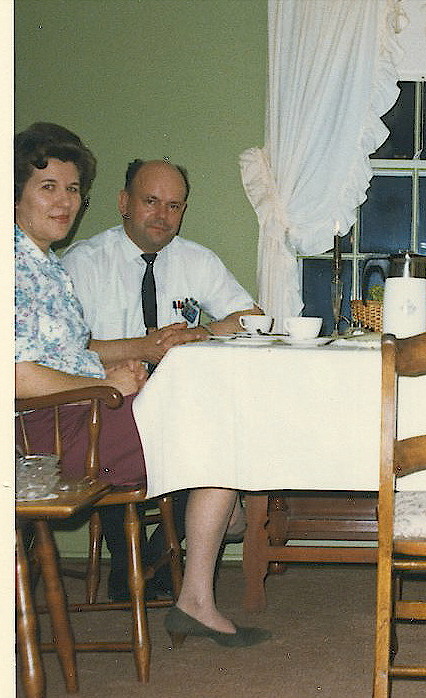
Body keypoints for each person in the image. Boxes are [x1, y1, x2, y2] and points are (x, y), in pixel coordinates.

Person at [14, 123, 270, 647]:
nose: (64, 201)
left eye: (70, 189)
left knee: (210, 421)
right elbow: (16, 372)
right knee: (216, 436)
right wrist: (103, 382)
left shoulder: (41, 265)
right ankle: (203, 574)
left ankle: (202, 552)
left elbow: (69, 350)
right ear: (123, 203)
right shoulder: (40, 263)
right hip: (47, 431)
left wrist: (144, 349)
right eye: (47, 188)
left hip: (75, 413)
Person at [61, 158, 259, 600]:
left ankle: (146, 561)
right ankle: (150, 561)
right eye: (151, 201)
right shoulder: (83, 263)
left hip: (174, 403)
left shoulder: (196, 260)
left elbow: (251, 318)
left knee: (220, 425)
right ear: (124, 203)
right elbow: (66, 353)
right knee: (153, 428)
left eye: (174, 205)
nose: (162, 215)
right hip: (103, 403)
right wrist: (140, 349)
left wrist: (200, 332)